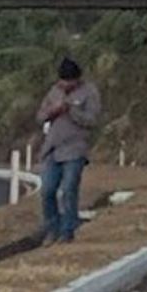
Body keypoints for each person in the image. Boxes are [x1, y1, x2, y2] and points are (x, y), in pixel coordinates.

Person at [36, 57, 101, 246]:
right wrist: (53, 112)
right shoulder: (54, 92)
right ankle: (52, 229)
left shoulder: (89, 92)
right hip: (52, 149)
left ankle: (67, 232)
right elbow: (40, 117)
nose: (65, 85)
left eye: (69, 82)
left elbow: (92, 120)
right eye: (62, 81)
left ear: (77, 79)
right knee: (47, 191)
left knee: (69, 190)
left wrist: (71, 110)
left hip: (74, 149)